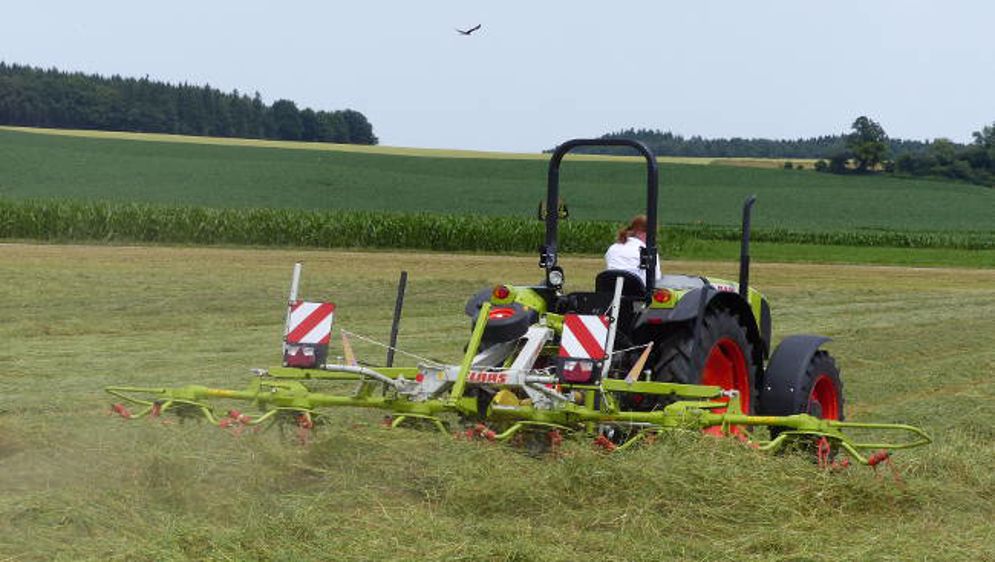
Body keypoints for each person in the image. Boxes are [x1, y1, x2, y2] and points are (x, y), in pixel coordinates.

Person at [604, 214, 662, 285]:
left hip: (610, 291)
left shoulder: (613, 248)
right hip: (636, 293)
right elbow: (656, 279)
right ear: (646, 233)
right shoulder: (648, 252)